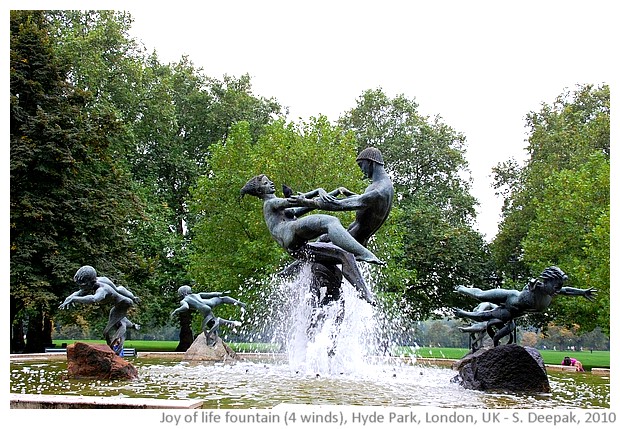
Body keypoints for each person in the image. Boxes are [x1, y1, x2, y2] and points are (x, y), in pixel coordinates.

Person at [241, 174, 384, 304]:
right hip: (290, 234)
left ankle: (364, 293)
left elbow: (303, 207)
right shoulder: (270, 203)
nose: (271, 183)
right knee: (329, 221)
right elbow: (295, 202)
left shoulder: (279, 210)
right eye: (266, 183)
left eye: (269, 181)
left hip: (298, 249)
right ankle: (363, 252)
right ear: (260, 192)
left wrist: (334, 192)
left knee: (344, 254)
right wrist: (317, 191)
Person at [455, 266, 596, 346]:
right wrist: (531, 284)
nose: (557, 289)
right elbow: (532, 283)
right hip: (508, 296)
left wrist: (582, 292)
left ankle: (463, 313)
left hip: (511, 311)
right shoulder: (539, 287)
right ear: (547, 281)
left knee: (486, 317)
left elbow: (567, 290)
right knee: (481, 295)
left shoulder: (552, 292)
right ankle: (462, 289)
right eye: (556, 285)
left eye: (559, 286)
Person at [287, 146, 394, 247]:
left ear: (371, 162)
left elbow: (340, 204)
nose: (362, 170)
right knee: (322, 239)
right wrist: (348, 193)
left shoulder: (379, 190)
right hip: (353, 237)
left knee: (309, 250)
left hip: (350, 241)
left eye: (361, 165)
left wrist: (306, 202)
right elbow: (367, 203)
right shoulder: (385, 186)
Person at [59, 265, 141, 354]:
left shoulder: (102, 289)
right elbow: (119, 288)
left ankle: (114, 351)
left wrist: (75, 299)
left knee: (107, 331)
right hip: (120, 304)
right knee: (117, 323)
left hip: (124, 303)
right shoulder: (98, 280)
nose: (80, 288)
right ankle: (130, 328)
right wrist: (69, 298)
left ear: (90, 282)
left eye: (82, 285)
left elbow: (94, 299)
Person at [170, 285, 246, 346]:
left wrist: (176, 310)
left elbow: (185, 307)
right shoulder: (198, 294)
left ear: (182, 293)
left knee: (212, 323)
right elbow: (211, 294)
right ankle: (240, 304)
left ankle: (228, 323)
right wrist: (221, 293)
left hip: (203, 308)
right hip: (210, 302)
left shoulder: (184, 300)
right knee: (223, 299)